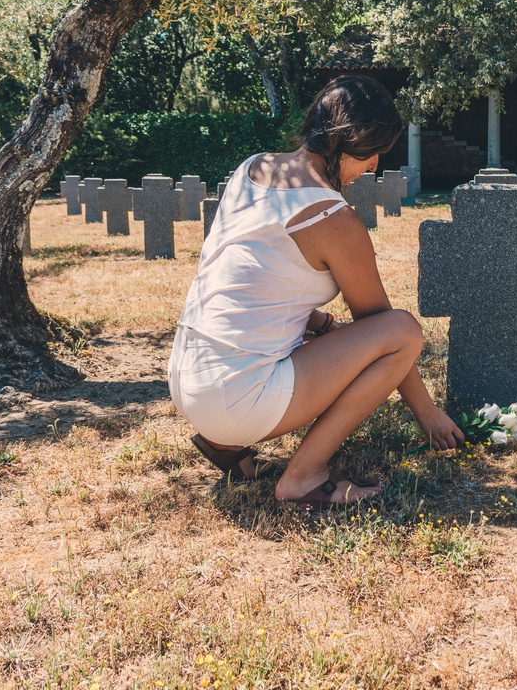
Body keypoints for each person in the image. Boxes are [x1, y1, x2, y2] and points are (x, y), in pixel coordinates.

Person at [168, 75, 464, 507]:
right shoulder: (333, 218)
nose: (376, 165)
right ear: (350, 141)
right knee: (403, 330)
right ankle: (304, 477)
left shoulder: (253, 167)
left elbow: (248, 278)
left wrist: (322, 323)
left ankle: (227, 445)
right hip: (235, 396)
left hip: (187, 377)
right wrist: (428, 414)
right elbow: (382, 327)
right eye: (374, 150)